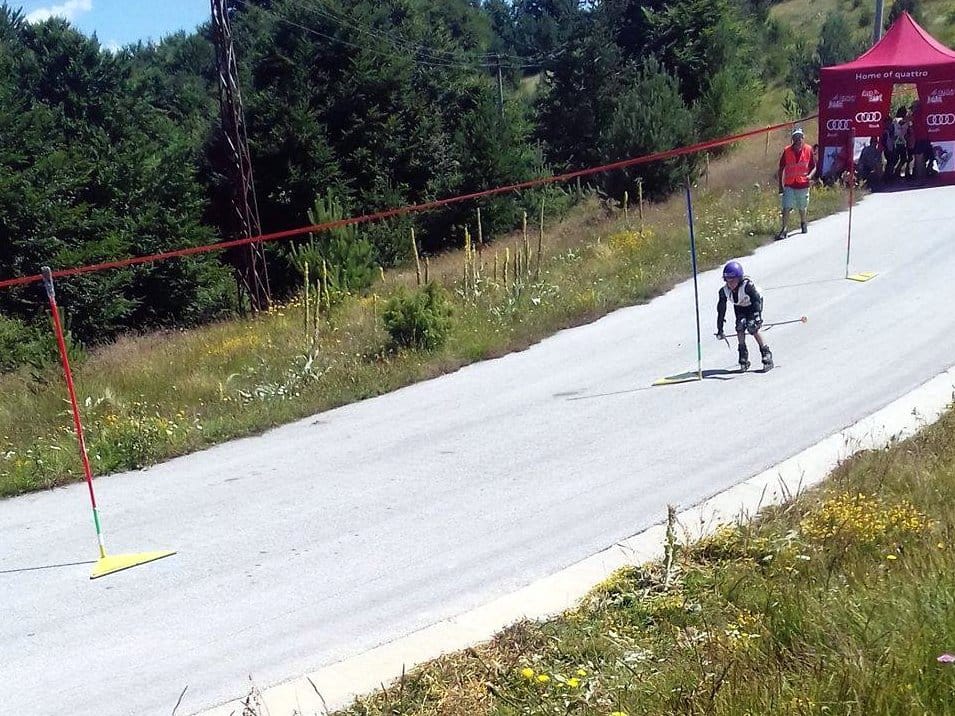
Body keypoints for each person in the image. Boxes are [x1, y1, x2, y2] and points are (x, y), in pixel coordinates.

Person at [716, 260, 773, 371]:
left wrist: (757, 317)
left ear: (739, 278)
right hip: (740, 306)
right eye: (728, 280)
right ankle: (743, 356)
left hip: (753, 304)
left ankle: (766, 354)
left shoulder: (748, 286)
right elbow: (721, 310)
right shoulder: (724, 291)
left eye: (734, 280)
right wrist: (720, 328)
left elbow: (756, 300)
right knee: (740, 327)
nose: (730, 283)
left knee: (753, 327)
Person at [776, 127, 816, 240]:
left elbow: (814, 167)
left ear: (803, 138)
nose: (798, 140)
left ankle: (803, 222)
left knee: (802, 207)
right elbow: (781, 168)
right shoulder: (787, 151)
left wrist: (810, 176)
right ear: (792, 139)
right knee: (786, 207)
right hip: (789, 184)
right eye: (795, 137)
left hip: (803, 184)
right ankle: (784, 229)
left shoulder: (808, 149)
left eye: (800, 137)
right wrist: (780, 185)